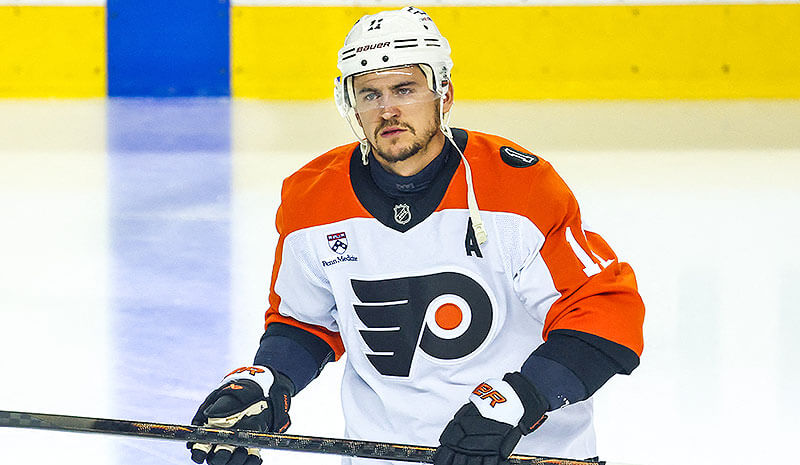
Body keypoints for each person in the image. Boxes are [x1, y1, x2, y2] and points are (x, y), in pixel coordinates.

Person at [188, 6, 644, 465]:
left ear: (444, 94)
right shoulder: (312, 198)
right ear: (351, 104)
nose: (387, 110)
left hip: (524, 454)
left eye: (404, 89)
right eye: (369, 94)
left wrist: (525, 397)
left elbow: (605, 313)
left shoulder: (518, 187)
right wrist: (268, 382)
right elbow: (305, 322)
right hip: (384, 455)